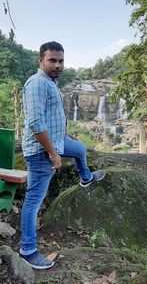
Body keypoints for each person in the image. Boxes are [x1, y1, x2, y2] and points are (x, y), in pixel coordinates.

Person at [19, 41, 105, 270]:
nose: (58, 65)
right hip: (41, 150)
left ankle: (85, 177)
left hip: (56, 139)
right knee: (34, 200)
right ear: (41, 61)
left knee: (80, 149)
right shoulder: (37, 83)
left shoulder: (50, 82)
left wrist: (63, 132)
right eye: (52, 60)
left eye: (61, 60)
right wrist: (52, 153)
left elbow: (49, 114)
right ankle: (27, 250)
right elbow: (36, 122)